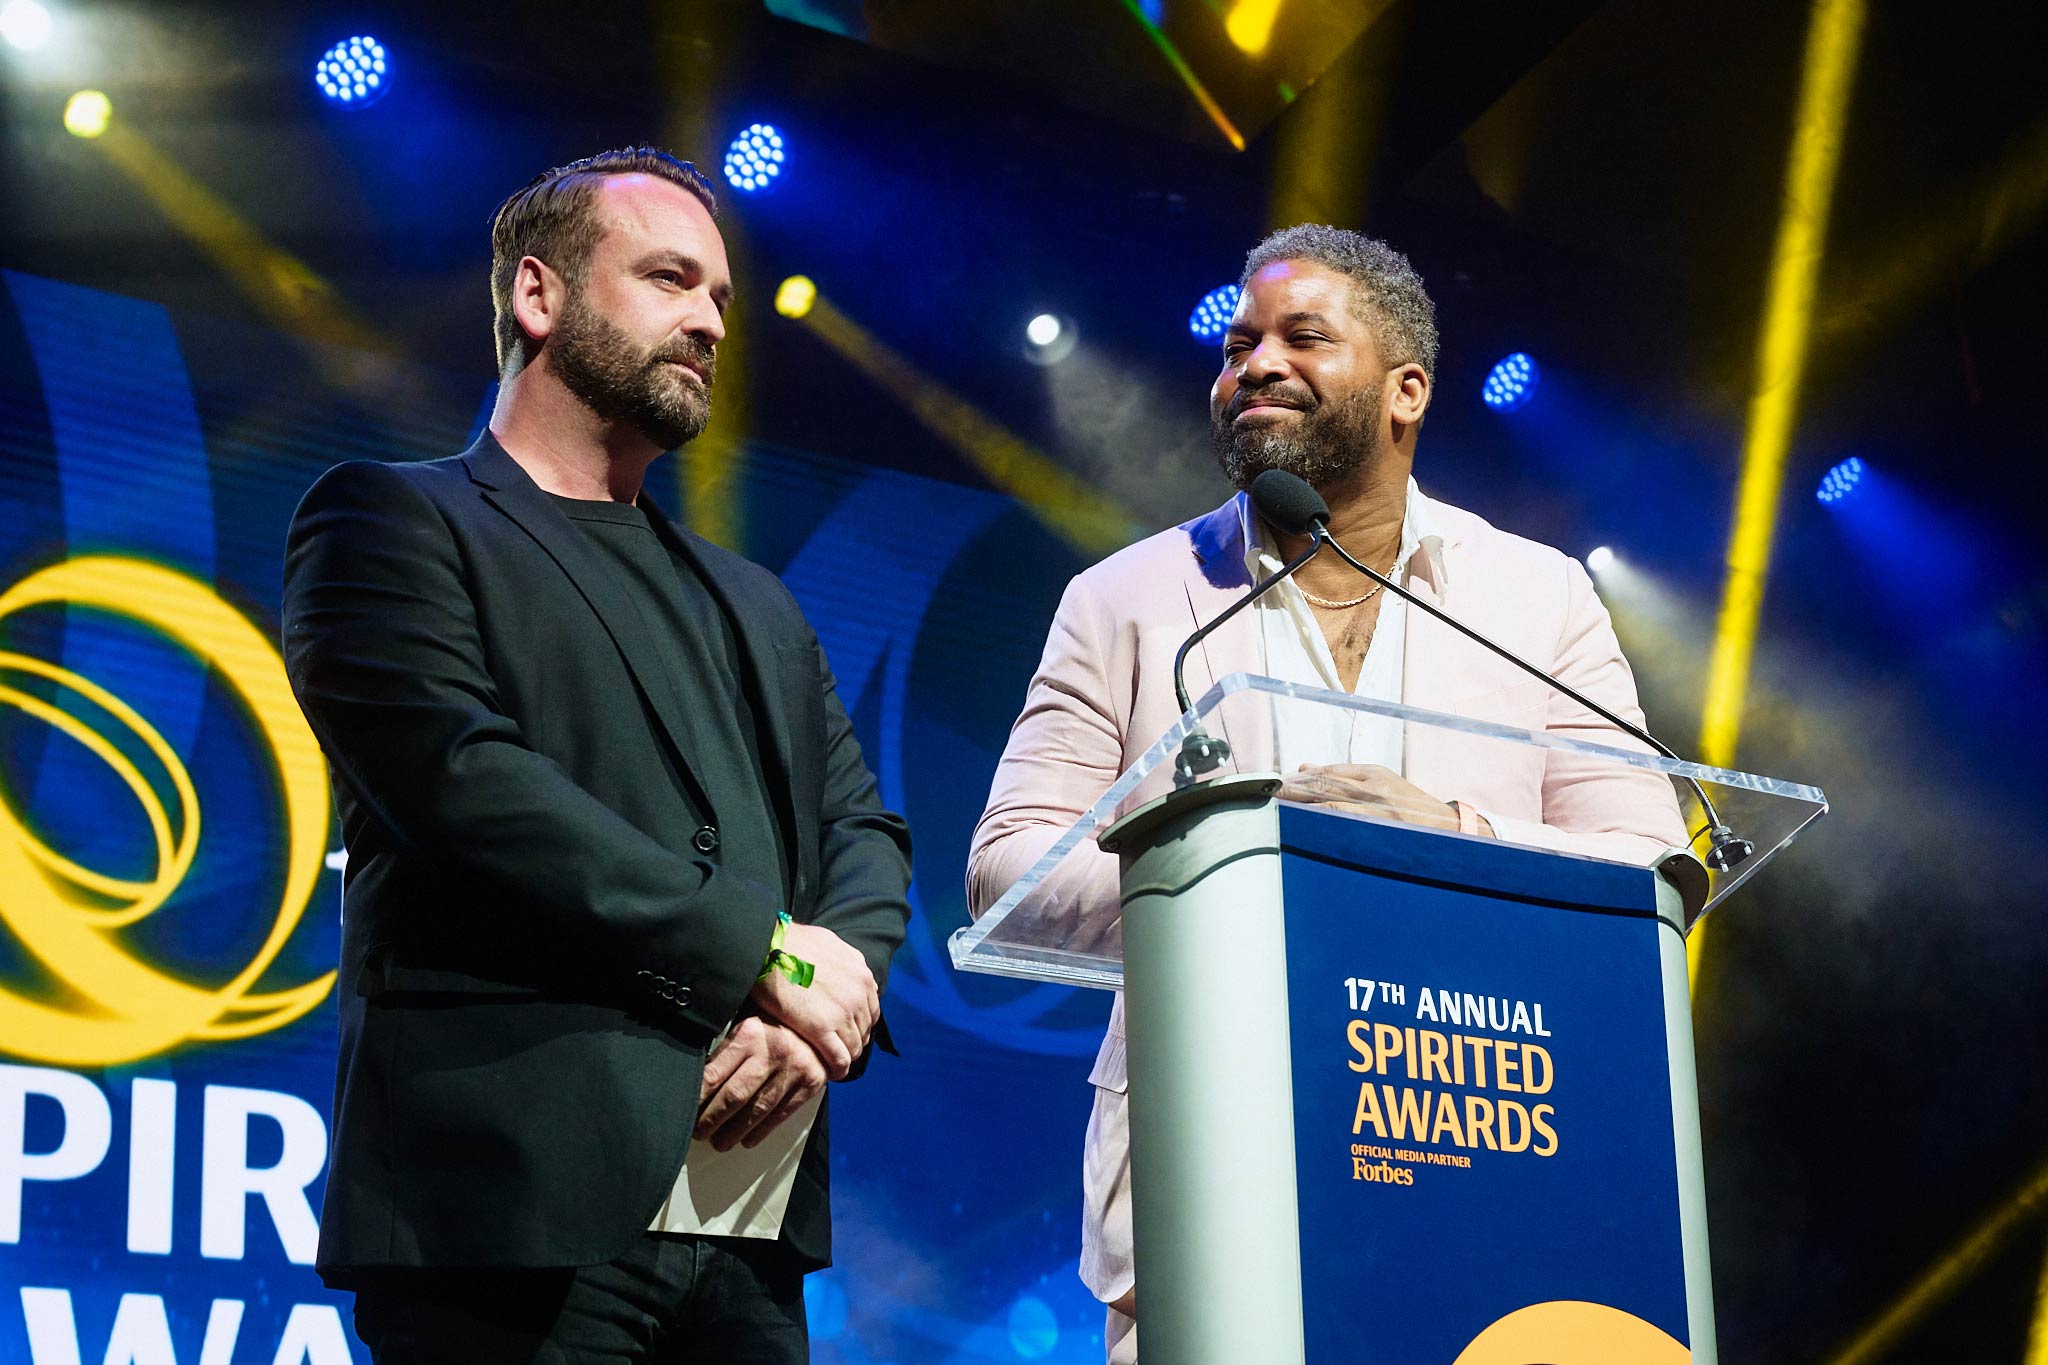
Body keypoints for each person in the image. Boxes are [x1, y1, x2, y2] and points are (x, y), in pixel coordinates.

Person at [966, 225, 1697, 1364]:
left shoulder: (1535, 597)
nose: (1254, 362)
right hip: (1213, 1185)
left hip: (1488, 1159)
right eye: (1236, 342)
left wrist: (1448, 837)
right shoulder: (1127, 599)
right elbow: (1003, 864)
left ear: (1406, 392)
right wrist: (1222, 859)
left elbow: (1650, 862)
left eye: (1302, 336)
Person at [282, 146, 912, 1363]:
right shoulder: (389, 520)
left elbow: (861, 835)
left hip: (745, 1214)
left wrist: (808, 1005)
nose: (707, 321)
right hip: (507, 1208)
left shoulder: (756, 605)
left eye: (720, 298)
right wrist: (761, 952)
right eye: (670, 279)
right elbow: (462, 788)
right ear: (538, 296)